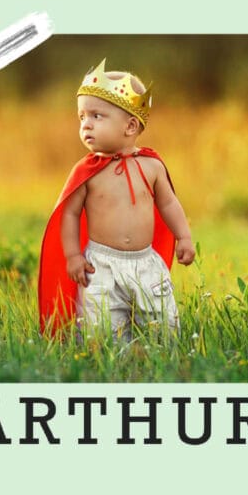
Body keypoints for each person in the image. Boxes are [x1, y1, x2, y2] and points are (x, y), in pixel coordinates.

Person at [38, 58, 195, 338]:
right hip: (101, 264)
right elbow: (70, 214)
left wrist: (183, 236)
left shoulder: (152, 166)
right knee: (101, 328)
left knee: (162, 324)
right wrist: (73, 256)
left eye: (96, 116)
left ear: (131, 126)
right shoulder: (86, 172)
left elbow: (169, 203)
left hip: (146, 262)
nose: (86, 124)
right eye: (82, 117)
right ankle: (111, 364)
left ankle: (163, 363)